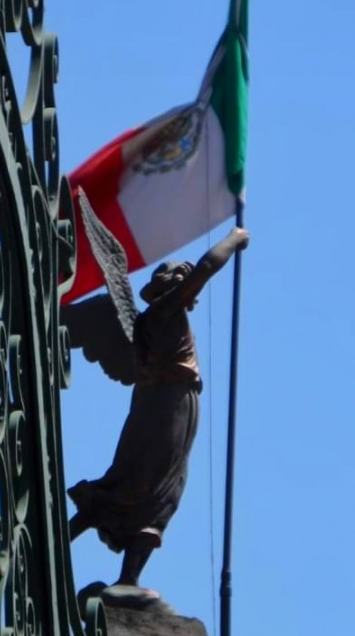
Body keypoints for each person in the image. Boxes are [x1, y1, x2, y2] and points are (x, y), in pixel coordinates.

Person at [68, 226, 250, 593]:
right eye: (180, 278)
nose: (187, 285)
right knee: (142, 483)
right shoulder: (163, 312)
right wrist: (234, 239)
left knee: (163, 490)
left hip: (175, 405)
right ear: (167, 287)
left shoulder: (166, 317)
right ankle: (69, 537)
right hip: (166, 407)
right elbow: (205, 268)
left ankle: (128, 579)